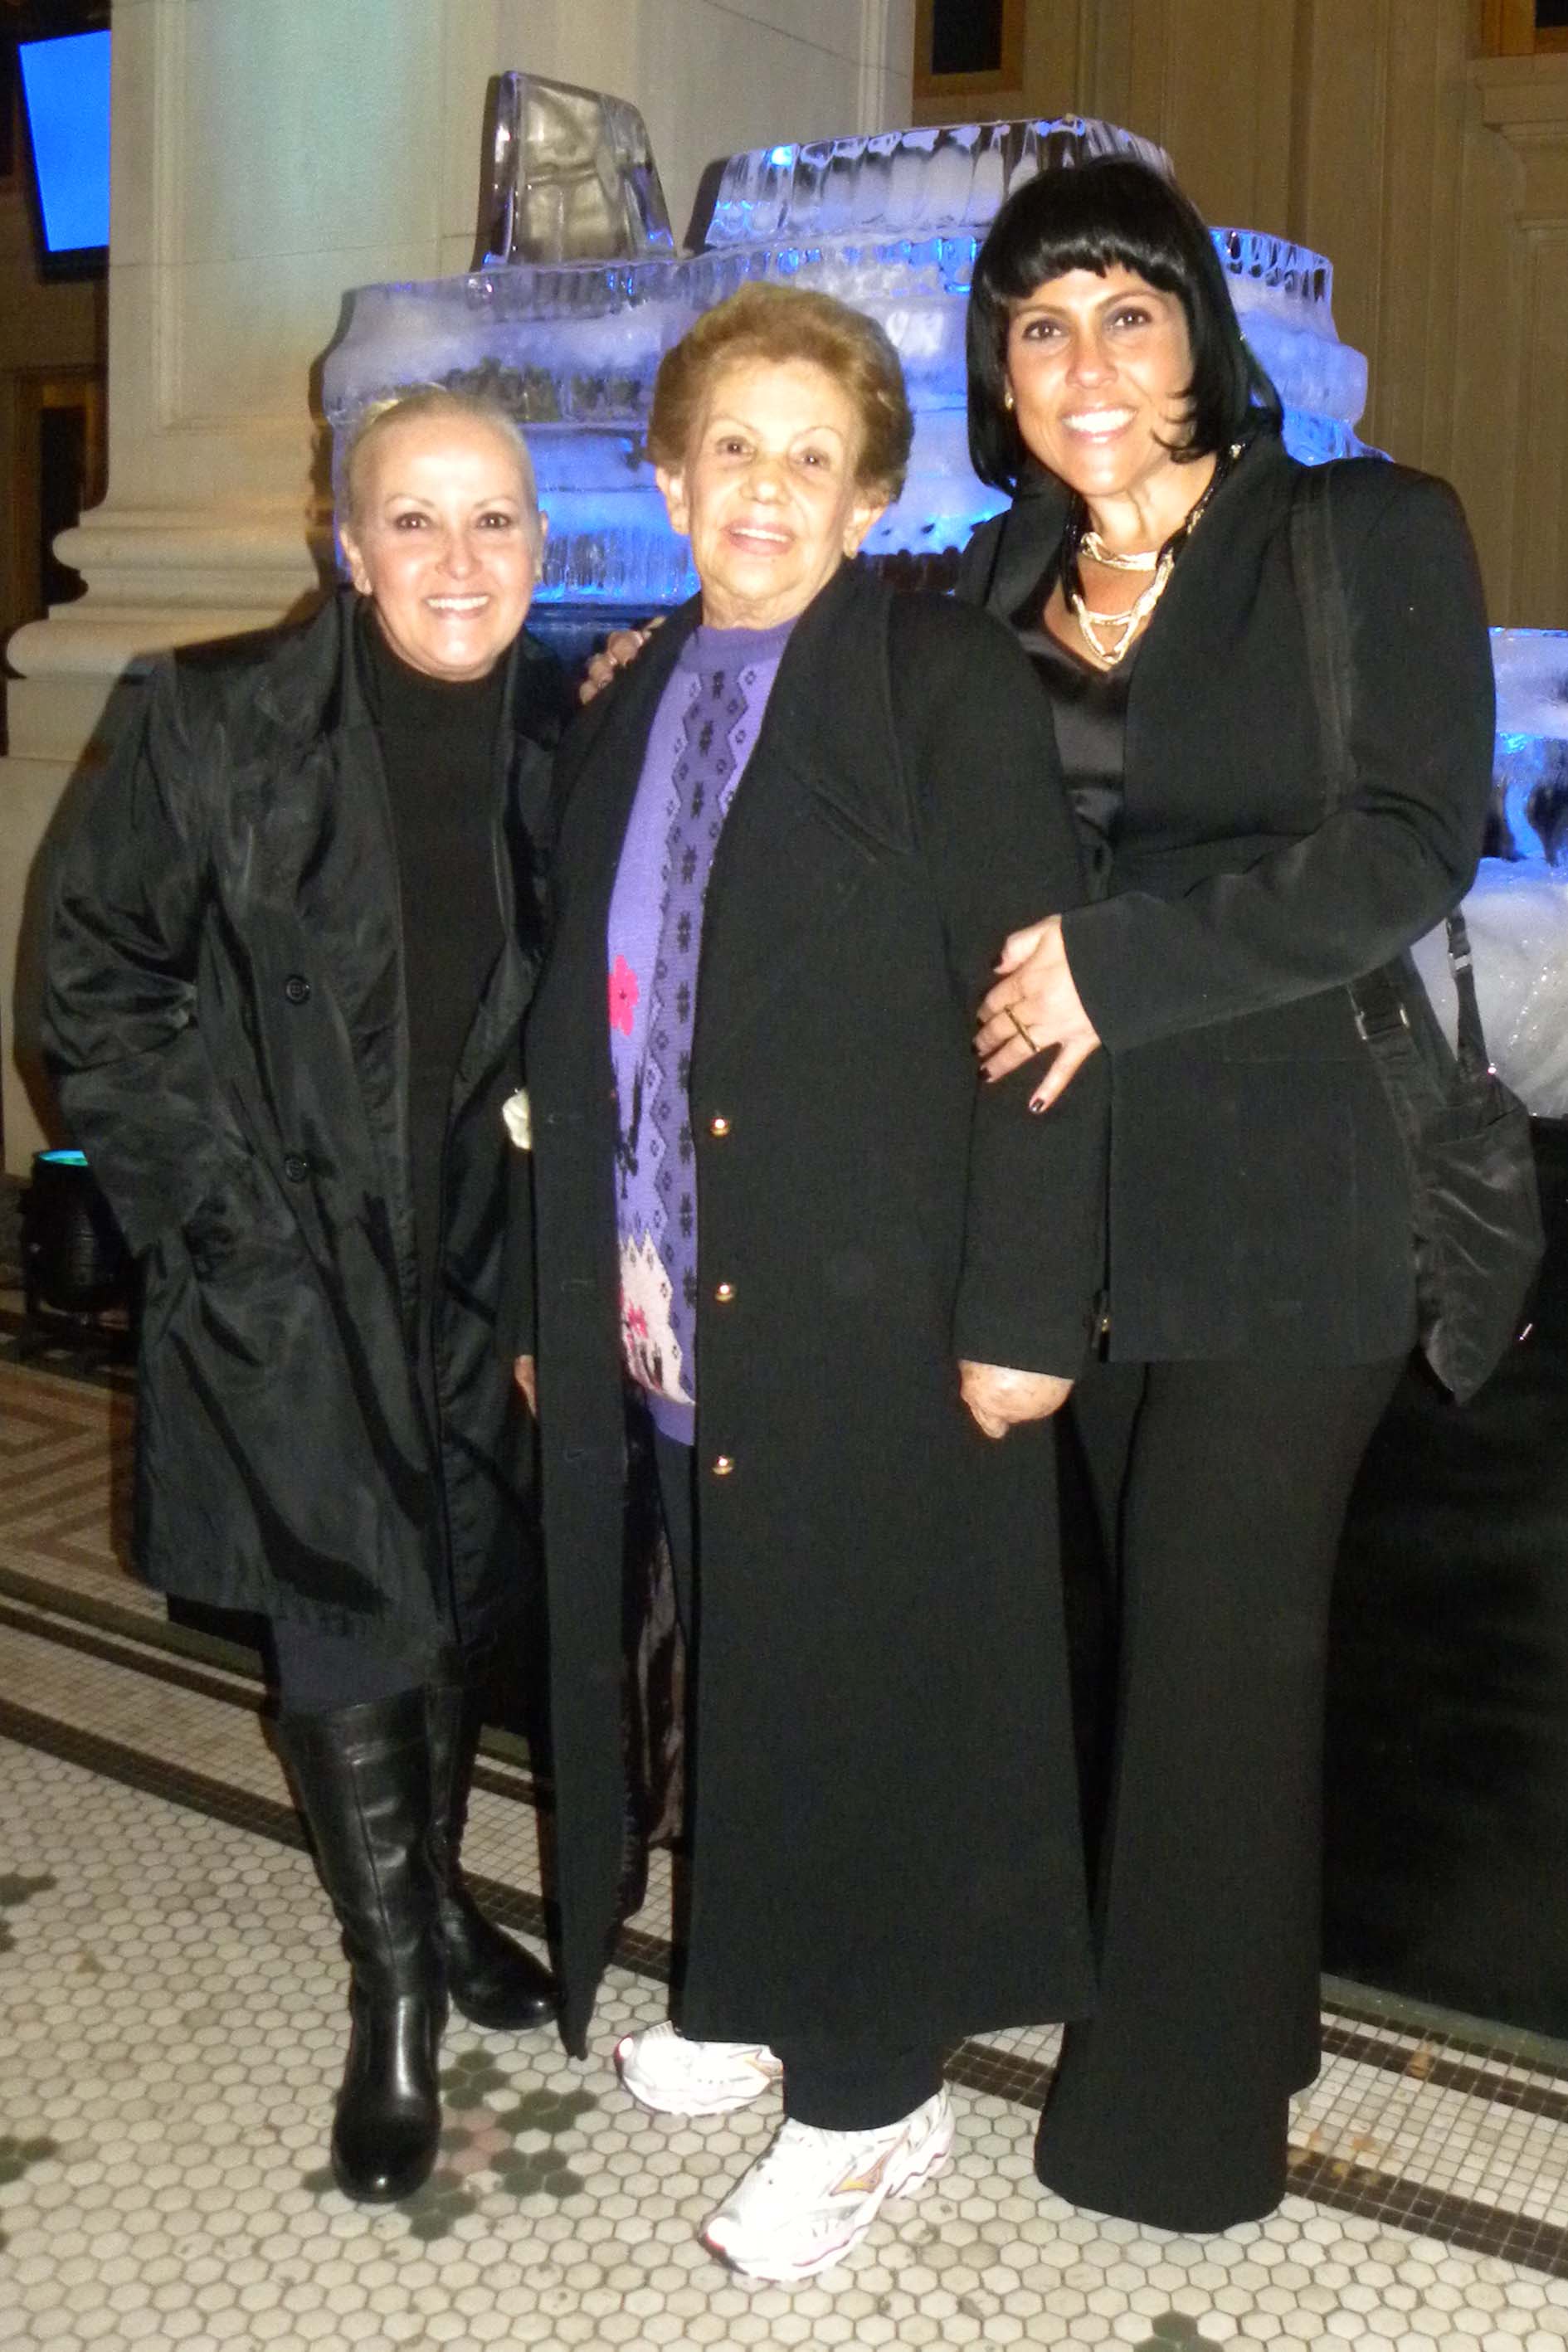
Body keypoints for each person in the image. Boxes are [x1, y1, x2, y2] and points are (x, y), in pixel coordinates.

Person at [512, 281, 1108, 2282]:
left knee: (859, 1682)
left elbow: (1037, 1004)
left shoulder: (938, 679)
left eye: (811, 457)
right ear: (670, 476)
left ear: (868, 501)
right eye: (732, 448)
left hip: (877, 1289)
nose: (765, 488)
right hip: (685, 1287)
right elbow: (593, 1008)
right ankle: (759, 1977)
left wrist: (1028, 1304)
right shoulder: (638, 689)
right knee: (748, 1657)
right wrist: (568, 1293)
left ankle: (868, 2096)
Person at [957, 157, 1496, 2232]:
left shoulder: (1363, 530)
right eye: (1042, 324)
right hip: (1087, 1199)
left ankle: (1166, 2142)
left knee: (1208, 1643)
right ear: (1003, 374)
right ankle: (1250, 2014)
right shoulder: (994, 584)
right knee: (1200, 1645)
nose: (1087, 362)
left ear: (1200, 332)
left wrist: (1123, 965)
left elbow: (1411, 841)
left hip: (1303, 1183)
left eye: (1129, 310)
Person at [42, 387, 568, 2204]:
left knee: (455, 1592)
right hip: (283, 1254)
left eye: (493, 520)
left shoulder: (577, 729)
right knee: (341, 1604)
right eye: (411, 519)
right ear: (344, 544)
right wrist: (219, 1224)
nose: (455, 558)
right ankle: (396, 1982)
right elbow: (94, 982)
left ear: (542, 546)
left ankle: (442, 1899)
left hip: (489, 1258)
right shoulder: (208, 717)